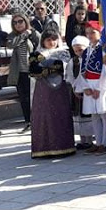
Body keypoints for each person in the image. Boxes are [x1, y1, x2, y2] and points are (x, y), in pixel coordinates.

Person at [28, 29, 74, 158]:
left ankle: (64, 146)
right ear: (43, 40)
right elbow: (33, 71)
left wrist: (45, 68)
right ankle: (43, 148)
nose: (51, 42)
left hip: (60, 89)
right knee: (43, 116)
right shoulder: (35, 54)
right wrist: (51, 67)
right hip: (43, 91)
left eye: (54, 39)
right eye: (48, 39)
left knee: (60, 115)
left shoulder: (63, 52)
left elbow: (61, 67)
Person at [75, 21, 106, 155]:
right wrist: (84, 87)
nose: (90, 35)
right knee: (94, 115)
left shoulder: (104, 49)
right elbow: (82, 70)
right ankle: (98, 142)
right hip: (89, 84)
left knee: (104, 114)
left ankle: (105, 143)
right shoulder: (87, 51)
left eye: (93, 32)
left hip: (100, 84)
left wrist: (99, 88)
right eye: (87, 33)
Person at [7, 12, 40, 132]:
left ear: (25, 21)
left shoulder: (34, 33)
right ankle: (28, 122)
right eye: (15, 22)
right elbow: (11, 45)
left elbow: (41, 45)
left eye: (20, 21)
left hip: (32, 70)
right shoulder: (12, 36)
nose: (18, 24)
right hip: (19, 71)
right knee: (24, 98)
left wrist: (29, 34)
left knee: (34, 97)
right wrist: (24, 35)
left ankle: (37, 120)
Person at [64, 35, 93, 150]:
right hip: (77, 91)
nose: (78, 52)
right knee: (78, 115)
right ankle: (82, 140)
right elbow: (70, 76)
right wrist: (75, 88)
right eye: (76, 50)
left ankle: (90, 139)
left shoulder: (90, 59)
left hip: (88, 91)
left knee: (87, 114)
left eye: (81, 50)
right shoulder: (73, 61)